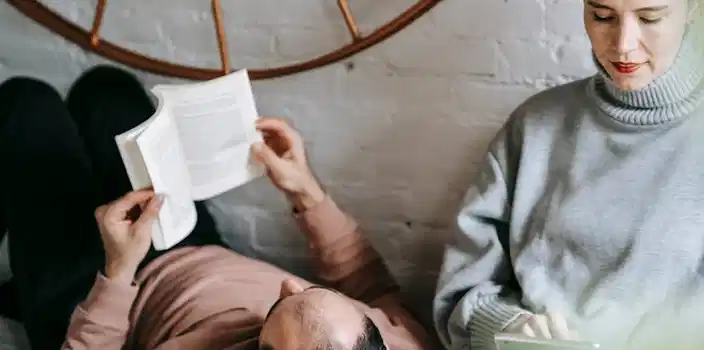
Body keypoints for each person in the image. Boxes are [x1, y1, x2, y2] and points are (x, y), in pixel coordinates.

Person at [433, 0, 704, 349]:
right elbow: (462, 293)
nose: (623, 45)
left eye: (650, 17)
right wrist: (506, 328)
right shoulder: (533, 128)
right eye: (603, 16)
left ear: (694, 8)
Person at [0, 65, 434, 350]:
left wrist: (117, 271)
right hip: (191, 241)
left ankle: (32, 292)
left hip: (100, 298)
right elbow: (372, 284)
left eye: (277, 311)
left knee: (24, 104)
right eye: (314, 291)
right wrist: (305, 191)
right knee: (105, 89)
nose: (288, 286)